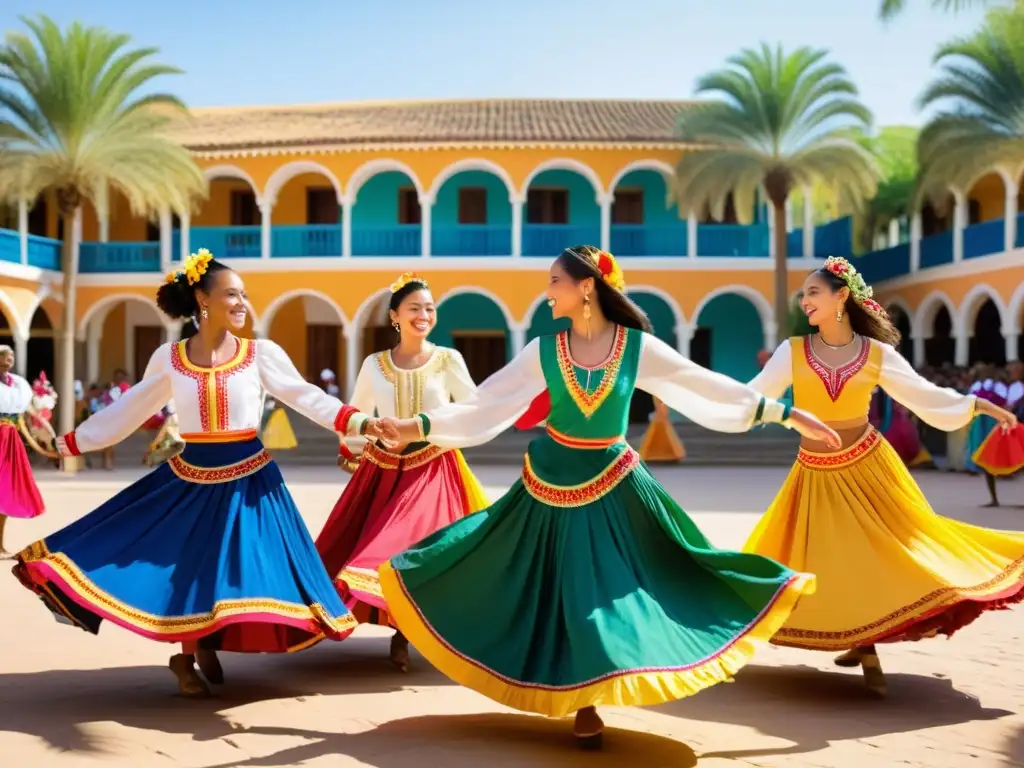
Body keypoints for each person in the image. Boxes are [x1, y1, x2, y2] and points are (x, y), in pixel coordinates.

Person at [374, 245, 839, 749]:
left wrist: (785, 412)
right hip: (548, 487)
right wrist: (414, 426)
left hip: (615, 486)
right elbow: (487, 402)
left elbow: (704, 386)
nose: (547, 291)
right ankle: (584, 701)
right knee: (543, 589)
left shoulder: (637, 347)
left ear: (586, 287)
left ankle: (596, 693)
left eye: (555, 281)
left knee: (628, 590)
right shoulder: (544, 349)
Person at [12, 249, 397, 698]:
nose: (241, 304)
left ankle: (211, 639)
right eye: (231, 295)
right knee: (185, 566)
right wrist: (72, 442)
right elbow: (130, 409)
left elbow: (305, 396)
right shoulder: (170, 359)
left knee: (238, 569)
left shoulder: (259, 354)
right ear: (202, 299)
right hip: (190, 478)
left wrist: (360, 423)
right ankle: (185, 655)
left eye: (244, 296)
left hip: (251, 483)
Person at [745, 257, 1022, 697]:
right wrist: (704, 394)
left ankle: (866, 644)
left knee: (874, 556)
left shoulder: (876, 354)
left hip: (868, 469)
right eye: (804, 294)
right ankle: (861, 642)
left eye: (813, 292)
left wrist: (977, 405)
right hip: (815, 473)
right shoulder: (792, 351)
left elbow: (924, 395)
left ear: (841, 298)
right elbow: (754, 395)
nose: (805, 300)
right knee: (829, 562)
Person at [310, 273, 488, 670]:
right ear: (395, 316)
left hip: (435, 469)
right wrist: (353, 449)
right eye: (414, 308)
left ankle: (406, 634)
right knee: (379, 551)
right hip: (385, 470)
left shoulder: (448, 360)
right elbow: (356, 411)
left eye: (429, 308)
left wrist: (434, 426)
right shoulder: (375, 364)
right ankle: (399, 629)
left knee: (422, 549)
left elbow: (475, 408)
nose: (423, 315)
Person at [0, 345, 49, 556]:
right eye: (4, 356)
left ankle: (0, 542)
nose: (9, 359)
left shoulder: (18, 384)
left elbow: (28, 413)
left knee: (5, 491)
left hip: (10, 439)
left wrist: (50, 435)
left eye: (11, 356)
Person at [972, 360, 1024, 505]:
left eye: (1014, 370)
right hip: (1008, 427)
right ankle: (994, 499)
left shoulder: (1014, 388)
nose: (1010, 373)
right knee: (988, 461)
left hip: (1018, 428)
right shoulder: (1007, 387)